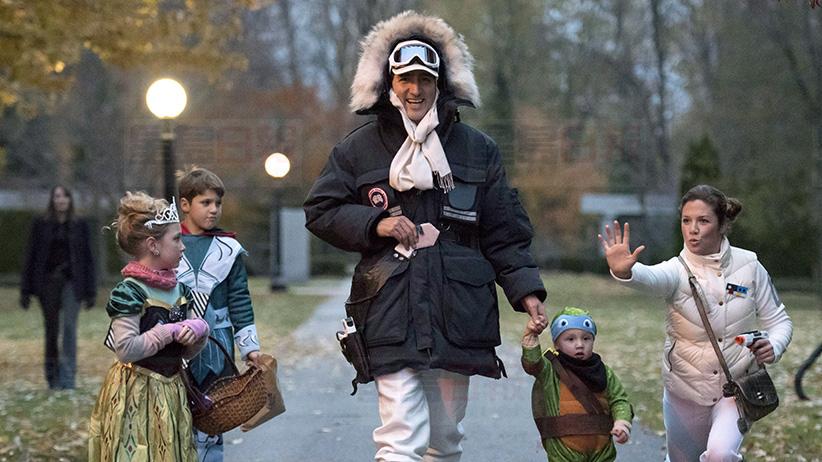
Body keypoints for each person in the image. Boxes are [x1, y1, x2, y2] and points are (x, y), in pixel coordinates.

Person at [304, 11, 547, 462]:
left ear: (442, 83)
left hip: (459, 309)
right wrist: (374, 224)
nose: (414, 89)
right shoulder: (357, 149)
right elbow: (321, 211)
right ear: (387, 83)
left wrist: (526, 290)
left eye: (424, 79)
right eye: (404, 80)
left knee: (445, 437)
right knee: (400, 436)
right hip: (389, 306)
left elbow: (503, 231)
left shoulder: (478, 149)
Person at [598, 184, 793, 462]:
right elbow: (651, 277)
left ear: (722, 224)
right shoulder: (676, 270)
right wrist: (625, 271)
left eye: (703, 221)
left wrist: (774, 345)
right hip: (684, 391)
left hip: (735, 387)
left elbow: (780, 320)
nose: (693, 229)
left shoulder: (750, 266)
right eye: (686, 221)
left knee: (720, 455)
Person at [88, 191, 209, 461]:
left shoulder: (181, 289)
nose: (183, 246)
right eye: (177, 239)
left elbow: (183, 353)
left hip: (172, 390)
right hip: (138, 393)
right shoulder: (130, 291)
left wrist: (198, 332)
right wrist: (167, 332)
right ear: (153, 245)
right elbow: (126, 350)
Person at [175, 166, 262, 462]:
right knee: (176, 412)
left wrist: (249, 348)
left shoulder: (229, 248)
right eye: (206, 202)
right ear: (185, 205)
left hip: (217, 344)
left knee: (213, 413)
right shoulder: (168, 243)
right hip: (174, 343)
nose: (214, 210)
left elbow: (240, 299)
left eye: (218, 203)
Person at [521, 307, 633, 462]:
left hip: (601, 449)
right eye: (570, 339)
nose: (579, 344)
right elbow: (532, 364)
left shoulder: (604, 372)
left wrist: (622, 422)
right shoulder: (551, 370)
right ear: (557, 344)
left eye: (586, 338)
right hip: (564, 449)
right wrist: (531, 337)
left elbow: (619, 400)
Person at [20, 185, 97, 390]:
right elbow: (31, 256)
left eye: (64, 196)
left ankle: (68, 378)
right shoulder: (41, 224)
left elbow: (88, 258)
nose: (60, 200)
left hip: (72, 283)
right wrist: (25, 290)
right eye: (57, 196)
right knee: (51, 330)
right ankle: (52, 378)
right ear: (52, 200)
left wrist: (91, 291)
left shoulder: (80, 225)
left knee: (70, 328)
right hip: (48, 283)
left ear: (70, 200)